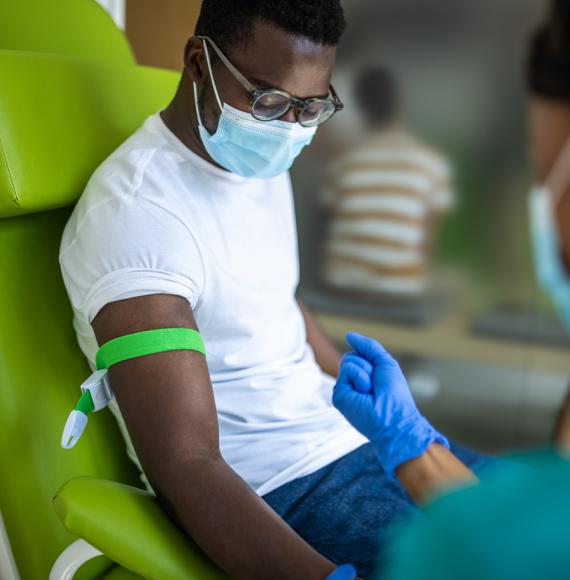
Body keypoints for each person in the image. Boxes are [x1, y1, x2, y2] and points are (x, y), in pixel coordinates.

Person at [59, 1, 488, 577]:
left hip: (354, 440)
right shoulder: (138, 217)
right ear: (196, 63)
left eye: (311, 108)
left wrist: (380, 407)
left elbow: (272, 294)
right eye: (269, 100)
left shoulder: (257, 157)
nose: (290, 128)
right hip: (288, 486)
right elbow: (189, 465)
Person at [330, 1, 570, 577]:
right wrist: (407, 440)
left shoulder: (468, 548)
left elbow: (496, 543)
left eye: (544, 179)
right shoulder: (426, 166)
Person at [321, 66, 454, 297]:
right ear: (401, 105)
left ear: (361, 109)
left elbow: (331, 224)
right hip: (400, 292)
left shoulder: (344, 161)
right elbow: (427, 242)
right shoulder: (432, 163)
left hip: (342, 288)